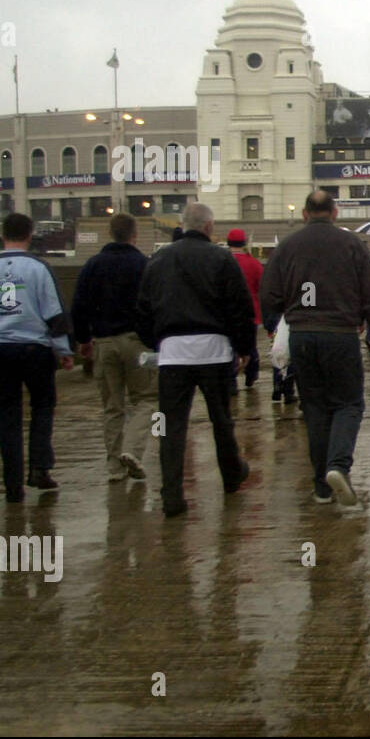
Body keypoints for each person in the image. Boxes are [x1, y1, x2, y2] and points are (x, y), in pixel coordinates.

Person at [260, 190, 370, 506]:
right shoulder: (351, 246)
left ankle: (321, 486)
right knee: (348, 403)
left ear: (304, 214)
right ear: (335, 213)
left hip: (303, 334)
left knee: (314, 406)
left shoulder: (287, 246)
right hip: (340, 333)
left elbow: (269, 294)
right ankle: (338, 465)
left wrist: (276, 320)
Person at [136, 203, 255, 517]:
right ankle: (231, 475)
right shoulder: (221, 259)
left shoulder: (159, 259)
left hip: (172, 351)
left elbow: (143, 308)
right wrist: (243, 347)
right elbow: (239, 306)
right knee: (221, 419)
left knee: (171, 426)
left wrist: (157, 341)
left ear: (183, 225)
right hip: (212, 348)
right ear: (208, 227)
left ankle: (172, 494)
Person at [0, 213, 75, 503]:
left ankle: (12, 484)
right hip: (33, 348)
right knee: (42, 405)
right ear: (30, 234)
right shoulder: (39, 269)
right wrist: (63, 351)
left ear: (2, 235)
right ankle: (39, 467)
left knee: (7, 414)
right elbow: (54, 314)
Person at [70, 212, 157, 482]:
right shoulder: (144, 264)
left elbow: (79, 306)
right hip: (137, 343)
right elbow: (155, 306)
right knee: (148, 399)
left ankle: (114, 466)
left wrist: (84, 339)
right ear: (134, 235)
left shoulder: (93, 265)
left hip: (104, 342)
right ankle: (132, 450)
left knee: (112, 405)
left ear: (110, 233)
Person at [227, 228, 263, 389]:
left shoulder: (223, 261)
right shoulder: (254, 264)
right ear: (244, 243)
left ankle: (231, 379)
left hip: (227, 313)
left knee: (229, 347)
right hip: (251, 312)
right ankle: (251, 375)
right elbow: (261, 287)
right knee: (251, 345)